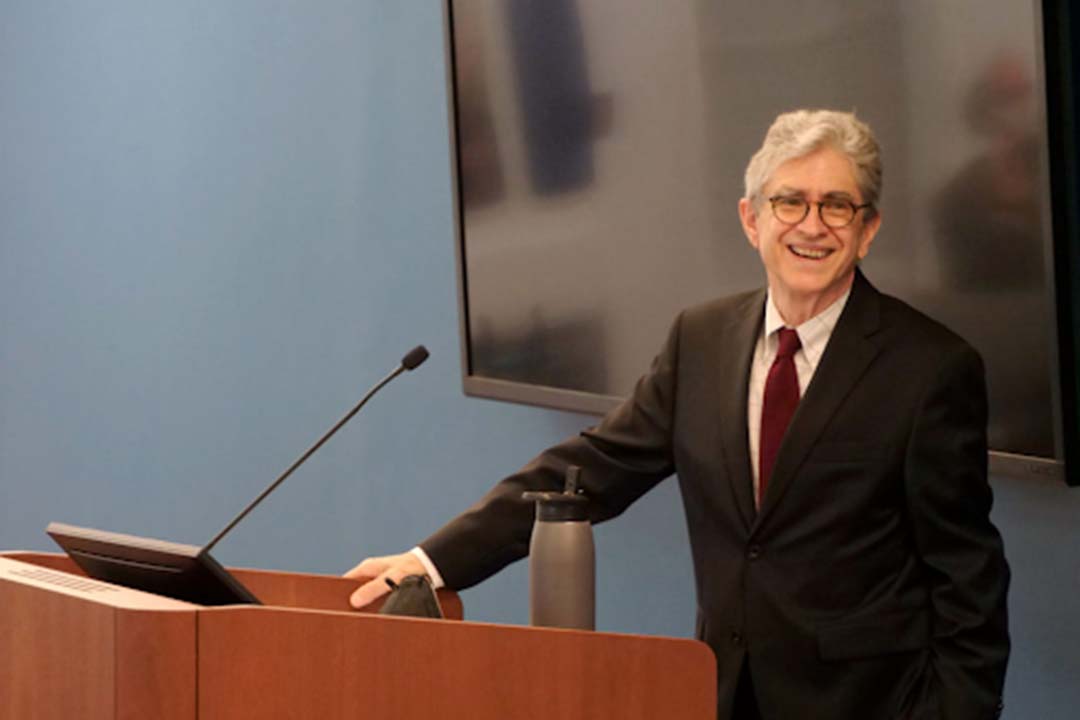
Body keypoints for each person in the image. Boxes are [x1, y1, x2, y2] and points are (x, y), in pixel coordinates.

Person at [345, 109, 1010, 720]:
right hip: (721, 692)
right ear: (752, 220)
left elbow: (969, 586)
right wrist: (430, 563)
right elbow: (590, 468)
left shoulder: (930, 369)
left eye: (837, 205)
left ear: (868, 230)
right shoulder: (702, 338)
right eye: (790, 202)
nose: (813, 225)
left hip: (869, 704)